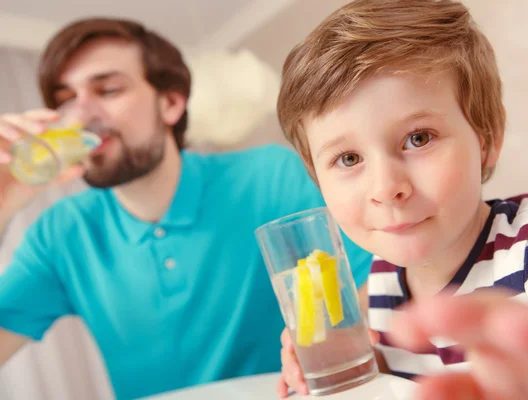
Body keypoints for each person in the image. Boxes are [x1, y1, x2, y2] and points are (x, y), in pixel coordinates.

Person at [0, 18, 373, 400]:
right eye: (65, 99)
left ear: (171, 103)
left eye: (107, 89)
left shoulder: (268, 176)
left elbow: (374, 284)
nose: (81, 115)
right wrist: (3, 200)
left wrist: (335, 346)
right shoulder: (60, 233)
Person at [275, 1, 528, 399]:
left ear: (487, 138)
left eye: (419, 138)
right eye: (348, 159)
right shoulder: (383, 284)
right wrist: (369, 371)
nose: (385, 187)